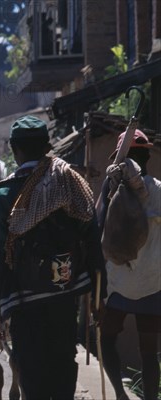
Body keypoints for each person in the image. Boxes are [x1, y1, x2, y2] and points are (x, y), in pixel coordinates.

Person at [0, 115, 105, 399]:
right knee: (64, 366)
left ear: (14, 151)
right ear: (47, 147)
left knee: (32, 372)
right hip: (65, 297)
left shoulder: (2, 198)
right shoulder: (71, 184)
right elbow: (92, 243)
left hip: (25, 305)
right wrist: (101, 297)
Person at [97, 129, 160, 400]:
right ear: (147, 156)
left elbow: (96, 231)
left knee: (106, 340)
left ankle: (120, 394)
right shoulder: (160, 190)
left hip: (117, 285)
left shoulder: (111, 190)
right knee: (149, 351)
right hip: (153, 283)